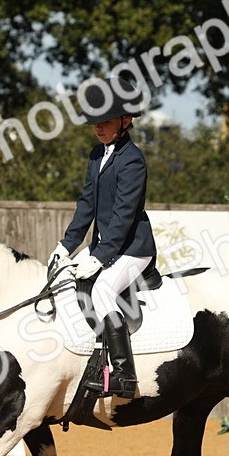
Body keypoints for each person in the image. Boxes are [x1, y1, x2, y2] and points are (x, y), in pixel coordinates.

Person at [50, 77, 157, 399]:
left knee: (103, 293)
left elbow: (124, 215)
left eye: (105, 121)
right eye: (94, 122)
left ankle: (124, 374)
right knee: (61, 280)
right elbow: (87, 204)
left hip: (133, 248)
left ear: (125, 122)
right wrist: (66, 246)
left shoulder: (133, 159)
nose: (98, 127)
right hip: (105, 246)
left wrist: (99, 257)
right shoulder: (97, 154)